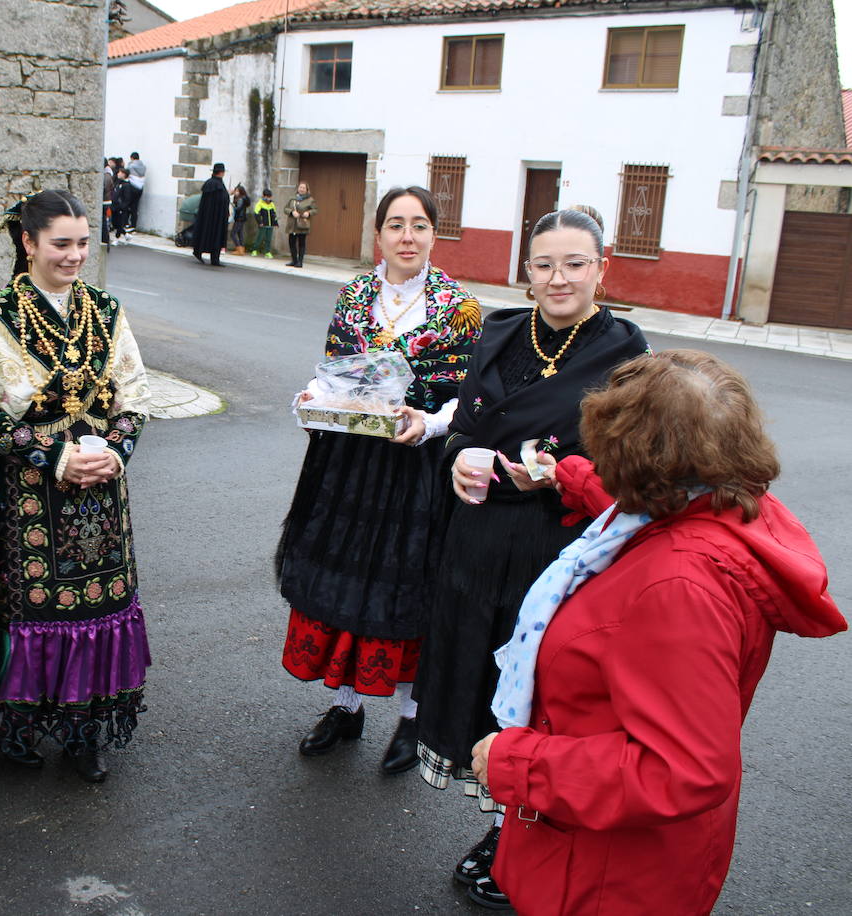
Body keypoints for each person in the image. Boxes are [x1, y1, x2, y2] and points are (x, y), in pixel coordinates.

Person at [472, 349, 845, 915]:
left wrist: (516, 762)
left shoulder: (675, 589)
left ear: (633, 459)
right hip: (619, 851)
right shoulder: (720, 504)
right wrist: (565, 476)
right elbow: (633, 511)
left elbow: (683, 769)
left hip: (611, 875)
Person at [412, 208, 650, 910]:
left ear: (602, 268)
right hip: (477, 544)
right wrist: (464, 459)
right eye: (544, 264)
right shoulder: (500, 331)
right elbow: (463, 426)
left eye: (575, 263)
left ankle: (513, 832)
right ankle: (501, 819)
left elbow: (630, 471)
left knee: (540, 699)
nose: (558, 278)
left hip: (558, 549)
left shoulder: (626, 354)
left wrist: (559, 473)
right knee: (480, 682)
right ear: (527, 269)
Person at [0, 190, 153, 784]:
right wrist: (54, 455)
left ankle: (84, 730)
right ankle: (16, 724)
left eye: (83, 243)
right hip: (20, 497)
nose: (75, 255)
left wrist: (117, 452)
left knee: (95, 606)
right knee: (12, 609)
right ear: (28, 243)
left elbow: (134, 392)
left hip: (97, 495)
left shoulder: (106, 310)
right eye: (62, 243)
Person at [276, 187, 482, 772]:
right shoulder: (354, 295)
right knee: (343, 582)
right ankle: (345, 708)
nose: (407, 236)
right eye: (396, 225)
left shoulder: (459, 308)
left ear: (434, 235)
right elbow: (337, 373)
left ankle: (412, 721)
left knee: (407, 590)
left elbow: (467, 398)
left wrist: (429, 423)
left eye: (419, 225)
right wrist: (314, 399)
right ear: (380, 236)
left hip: (416, 466)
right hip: (349, 463)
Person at [192, 162, 229, 267]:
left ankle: (210, 256)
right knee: (215, 235)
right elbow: (221, 199)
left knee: (208, 234)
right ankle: (213, 258)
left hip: (211, 216)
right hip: (215, 217)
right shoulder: (215, 184)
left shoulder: (211, 183)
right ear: (221, 172)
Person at [284, 181, 317, 268]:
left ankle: (300, 261)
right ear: (298, 188)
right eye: (300, 187)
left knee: (301, 243)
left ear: (307, 190)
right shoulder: (292, 199)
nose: (301, 189)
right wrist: (292, 212)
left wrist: (308, 213)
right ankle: (294, 260)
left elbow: (315, 210)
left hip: (302, 224)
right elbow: (285, 209)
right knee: (291, 242)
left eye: (303, 188)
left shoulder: (310, 200)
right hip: (292, 224)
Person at [251, 188, 278, 258]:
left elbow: (274, 214)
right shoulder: (260, 203)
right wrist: (260, 222)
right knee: (259, 238)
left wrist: (276, 223)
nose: (268, 198)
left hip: (270, 225)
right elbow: (256, 213)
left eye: (269, 196)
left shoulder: (272, 204)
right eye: (266, 196)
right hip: (263, 224)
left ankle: (267, 252)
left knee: (268, 239)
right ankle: (254, 250)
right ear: (263, 196)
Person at [110, 167, 133, 244]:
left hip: (120, 208)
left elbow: (127, 198)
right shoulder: (118, 183)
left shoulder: (126, 185)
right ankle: (126, 235)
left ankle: (117, 239)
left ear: (124, 174)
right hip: (115, 206)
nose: (118, 174)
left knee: (119, 223)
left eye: (120, 173)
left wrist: (122, 206)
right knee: (115, 223)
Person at [126, 152, 146, 230]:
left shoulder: (131, 165)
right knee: (135, 207)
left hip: (132, 186)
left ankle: (127, 223)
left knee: (127, 205)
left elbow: (127, 173)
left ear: (132, 158)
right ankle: (134, 225)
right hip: (140, 187)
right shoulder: (143, 167)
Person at [229, 184, 251, 255]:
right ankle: (241, 249)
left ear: (240, 192)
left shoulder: (240, 199)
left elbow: (238, 208)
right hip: (242, 218)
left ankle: (239, 248)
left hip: (239, 218)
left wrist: (232, 205)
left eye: (237, 191)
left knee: (233, 234)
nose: (235, 192)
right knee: (240, 233)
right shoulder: (243, 198)